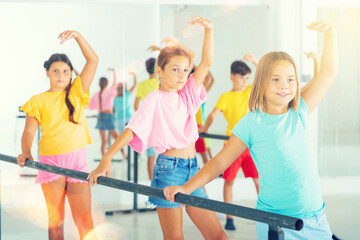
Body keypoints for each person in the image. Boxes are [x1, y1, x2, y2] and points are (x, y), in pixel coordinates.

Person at [164, 21, 338, 239]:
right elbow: (219, 161)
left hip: (314, 218)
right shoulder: (251, 123)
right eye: (275, 79)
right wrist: (187, 187)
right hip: (274, 221)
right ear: (261, 83)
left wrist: (330, 36)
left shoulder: (300, 111)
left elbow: (329, 73)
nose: (284, 85)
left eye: (290, 79)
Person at [88, 16, 227, 240]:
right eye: (175, 70)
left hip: (194, 170)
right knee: (175, 238)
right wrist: (107, 157)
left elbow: (207, 62)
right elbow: (131, 130)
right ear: (160, 72)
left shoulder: (188, 95)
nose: (182, 75)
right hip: (169, 171)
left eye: (185, 70)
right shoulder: (154, 98)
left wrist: (209, 30)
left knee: (217, 235)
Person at [17, 30, 98, 240]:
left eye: (65, 71)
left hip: (77, 162)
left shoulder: (78, 92)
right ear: (47, 72)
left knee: (85, 219)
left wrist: (79, 36)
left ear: (71, 73)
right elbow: (28, 131)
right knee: (56, 223)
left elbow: (93, 60)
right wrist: (25, 152)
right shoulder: (37, 100)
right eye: (55, 71)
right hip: (50, 162)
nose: (61, 75)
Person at [200, 54, 259, 231]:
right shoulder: (226, 97)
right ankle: (229, 217)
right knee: (229, 181)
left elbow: (262, 77)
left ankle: (267, 213)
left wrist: (255, 61)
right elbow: (212, 114)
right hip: (232, 146)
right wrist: (204, 129)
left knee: (257, 180)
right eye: (241, 77)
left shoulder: (249, 91)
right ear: (232, 76)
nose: (244, 81)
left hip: (250, 146)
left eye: (247, 78)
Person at [88, 69, 126, 159]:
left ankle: (104, 161)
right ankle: (125, 156)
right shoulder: (109, 92)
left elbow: (90, 107)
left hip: (100, 116)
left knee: (104, 142)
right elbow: (115, 84)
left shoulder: (96, 94)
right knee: (118, 139)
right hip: (108, 117)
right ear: (106, 83)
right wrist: (114, 72)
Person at [133, 58, 159, 180]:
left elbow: (136, 106)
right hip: (160, 123)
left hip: (148, 124)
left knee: (151, 156)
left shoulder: (142, 85)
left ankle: (152, 184)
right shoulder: (160, 82)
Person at [194, 69, 215, 165]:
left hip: (201, 123)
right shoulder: (191, 92)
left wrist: (203, 68)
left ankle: (213, 169)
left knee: (206, 149)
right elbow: (210, 79)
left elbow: (211, 79)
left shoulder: (201, 91)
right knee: (203, 151)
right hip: (195, 124)